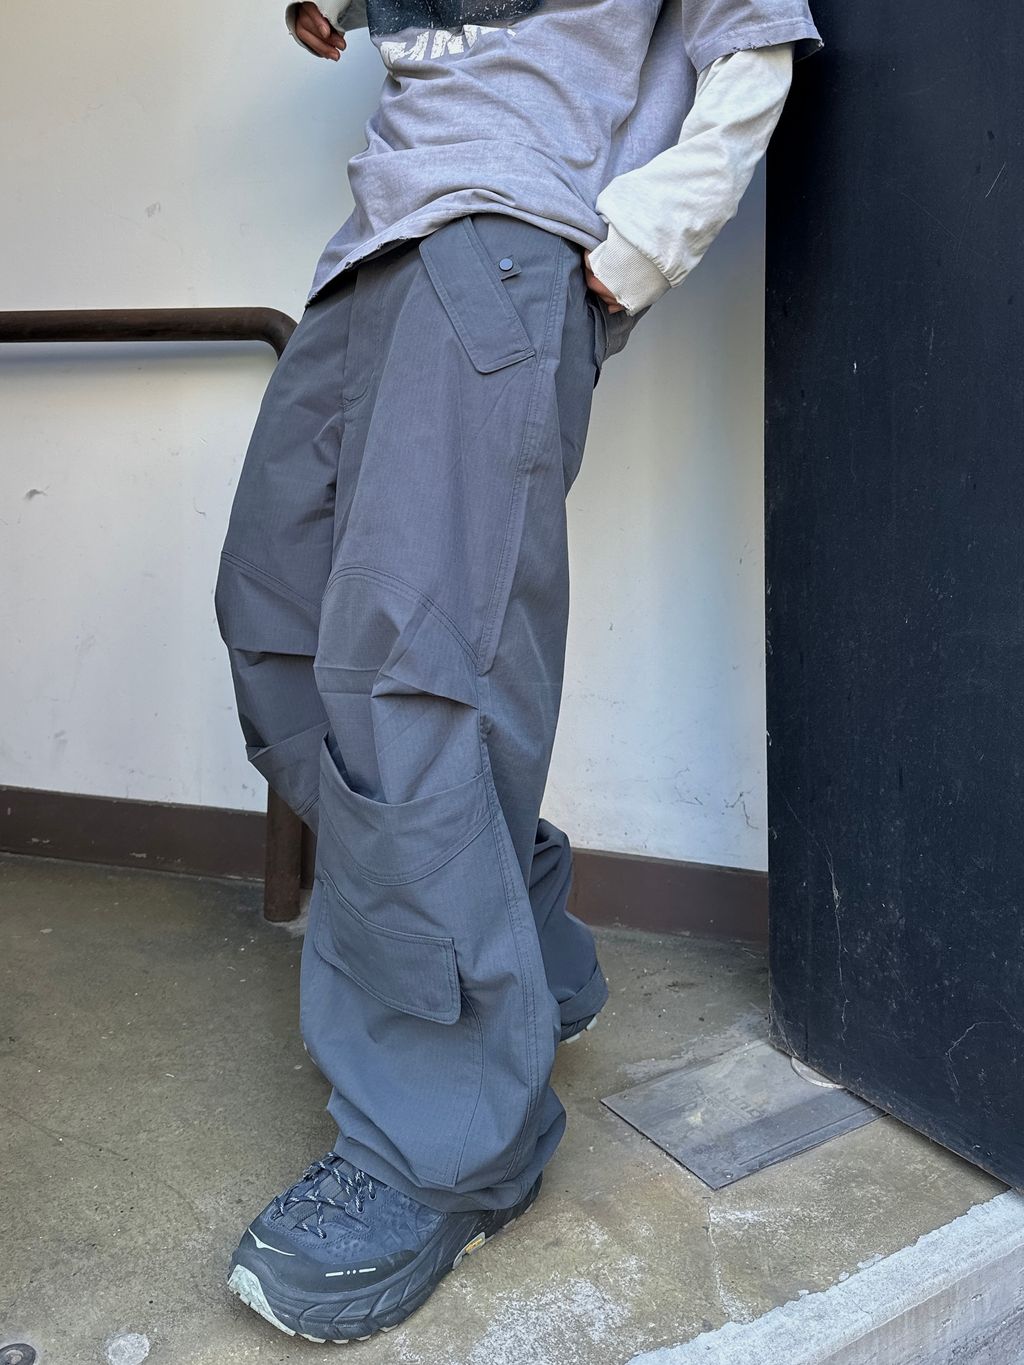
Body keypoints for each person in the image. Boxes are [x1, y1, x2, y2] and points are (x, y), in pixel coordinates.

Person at [215, 0, 822, 1343]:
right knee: (275, 613)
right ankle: (518, 957)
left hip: (498, 246)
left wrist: (638, 248)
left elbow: (754, 45)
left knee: (410, 680)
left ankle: (440, 1147)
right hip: (370, 253)